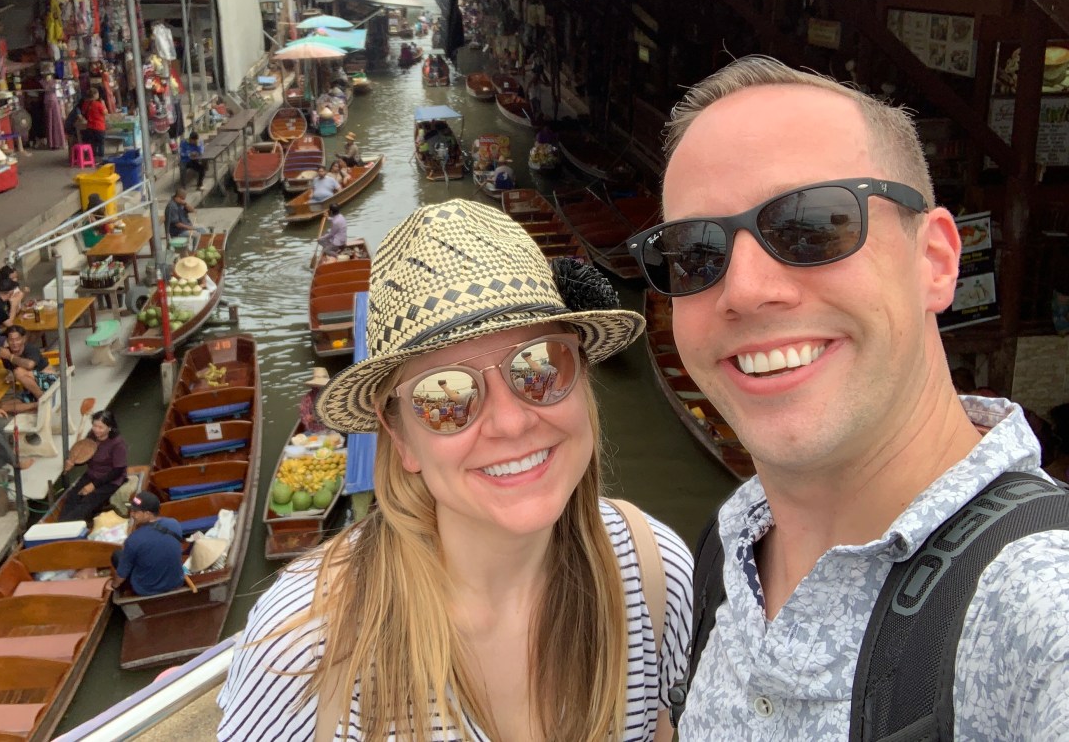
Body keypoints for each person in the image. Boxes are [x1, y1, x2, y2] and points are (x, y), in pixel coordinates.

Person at [638, 55, 1069, 738]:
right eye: (695, 253)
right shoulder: (728, 549)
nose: (744, 290)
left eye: (811, 226)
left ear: (935, 261)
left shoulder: (1038, 610)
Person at [220, 199, 693, 741]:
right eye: (444, 399)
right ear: (401, 437)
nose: (511, 423)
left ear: (582, 379)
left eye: (540, 366)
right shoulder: (302, 646)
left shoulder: (657, 574)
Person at [112, 491, 186, 596]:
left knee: (117, 555)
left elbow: (121, 575)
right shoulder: (174, 523)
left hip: (146, 590)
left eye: (135, 512)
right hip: (176, 582)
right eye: (131, 510)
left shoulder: (134, 539)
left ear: (147, 514)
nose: (131, 514)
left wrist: (113, 586)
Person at [61, 410, 128, 524]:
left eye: (100, 427)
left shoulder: (118, 444)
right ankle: (60, 524)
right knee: (72, 496)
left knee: (87, 502)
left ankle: (68, 525)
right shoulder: (91, 436)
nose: (96, 430)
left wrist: (93, 485)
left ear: (110, 428)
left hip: (110, 479)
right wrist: (74, 463)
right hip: (92, 474)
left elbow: (118, 471)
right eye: (94, 426)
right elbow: (86, 456)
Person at [0, 325, 57, 403]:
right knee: (3, 406)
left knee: (19, 372)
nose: (14, 343)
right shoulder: (6, 353)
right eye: (11, 340)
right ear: (7, 341)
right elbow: (11, 371)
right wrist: (11, 376)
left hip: (49, 382)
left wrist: (9, 356)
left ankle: (44, 401)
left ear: (24, 339)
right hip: (31, 389)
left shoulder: (30, 349)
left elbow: (29, 365)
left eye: (17, 339)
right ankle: (36, 405)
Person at [297, 366, 331, 435]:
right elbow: (304, 417)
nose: (320, 388)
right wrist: (311, 418)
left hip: (329, 429)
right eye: (318, 385)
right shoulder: (307, 398)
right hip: (313, 430)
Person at [80, 86, 108, 159]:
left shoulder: (85, 104)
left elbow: (83, 112)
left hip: (90, 127)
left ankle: (93, 157)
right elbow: (105, 112)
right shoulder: (98, 104)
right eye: (97, 94)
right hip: (99, 126)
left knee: (93, 143)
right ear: (95, 95)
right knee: (101, 143)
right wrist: (103, 104)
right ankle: (101, 157)